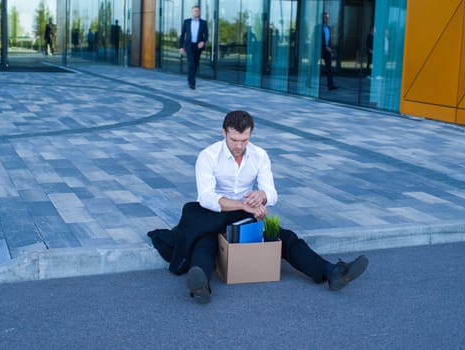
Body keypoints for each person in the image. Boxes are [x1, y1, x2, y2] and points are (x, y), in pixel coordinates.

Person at [148, 110, 369, 304]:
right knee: (204, 243)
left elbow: (272, 194)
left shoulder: (260, 155)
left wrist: (261, 195)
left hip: (244, 214)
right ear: (224, 132)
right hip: (212, 213)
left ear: (250, 134)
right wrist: (245, 206)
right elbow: (206, 198)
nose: (239, 146)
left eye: (244, 140)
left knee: (286, 238)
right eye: (234, 139)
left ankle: (332, 273)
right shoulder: (208, 156)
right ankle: (201, 286)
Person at [179, 5, 208, 90]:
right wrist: (181, 47)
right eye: (195, 11)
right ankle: (192, 83)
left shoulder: (203, 23)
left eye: (198, 11)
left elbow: (206, 35)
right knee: (191, 63)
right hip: (189, 45)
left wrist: (203, 42)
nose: (196, 12)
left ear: (199, 12)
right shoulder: (187, 22)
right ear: (192, 12)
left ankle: (190, 78)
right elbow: (182, 35)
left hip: (198, 46)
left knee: (195, 64)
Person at [320, 12, 338, 90]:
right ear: (322, 18)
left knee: (329, 68)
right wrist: (325, 46)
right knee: (314, 67)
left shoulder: (328, 28)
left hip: (327, 50)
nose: (326, 19)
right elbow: (318, 39)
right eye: (325, 17)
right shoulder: (318, 27)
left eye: (327, 18)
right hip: (320, 50)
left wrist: (330, 49)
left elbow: (329, 39)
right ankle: (308, 82)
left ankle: (330, 86)